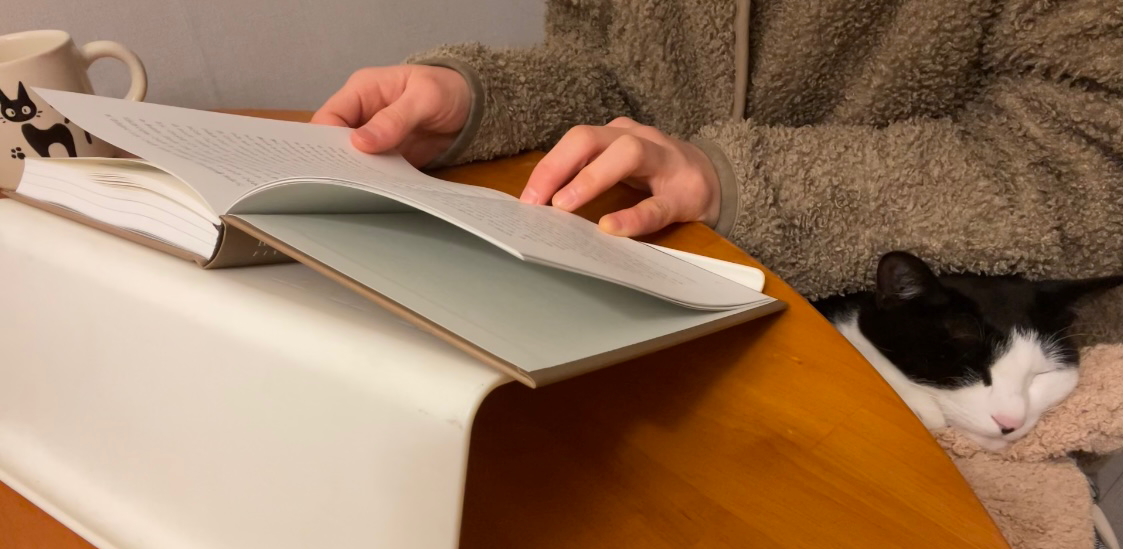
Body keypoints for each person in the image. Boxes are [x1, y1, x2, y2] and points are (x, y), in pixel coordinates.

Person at [311, 0, 1123, 299]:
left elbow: (1086, 167)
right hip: (652, 283)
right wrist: (483, 103)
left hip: (961, 359)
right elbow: (612, 63)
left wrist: (731, 183)